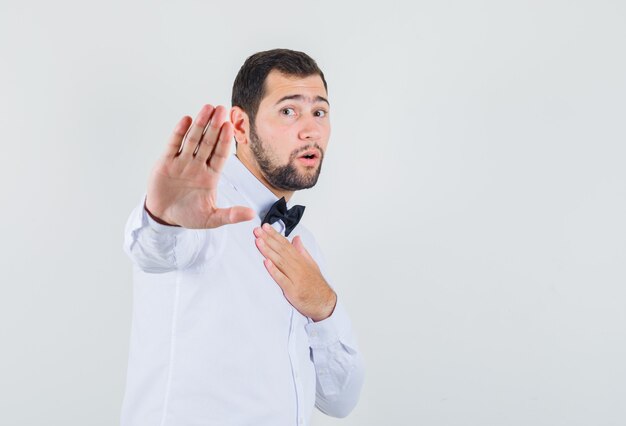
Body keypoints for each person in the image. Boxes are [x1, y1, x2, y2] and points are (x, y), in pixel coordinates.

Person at [121, 49, 365, 426]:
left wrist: (324, 307)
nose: (310, 129)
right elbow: (153, 250)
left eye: (319, 112)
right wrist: (162, 219)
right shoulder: (202, 209)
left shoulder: (305, 247)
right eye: (288, 111)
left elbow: (340, 400)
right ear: (239, 126)